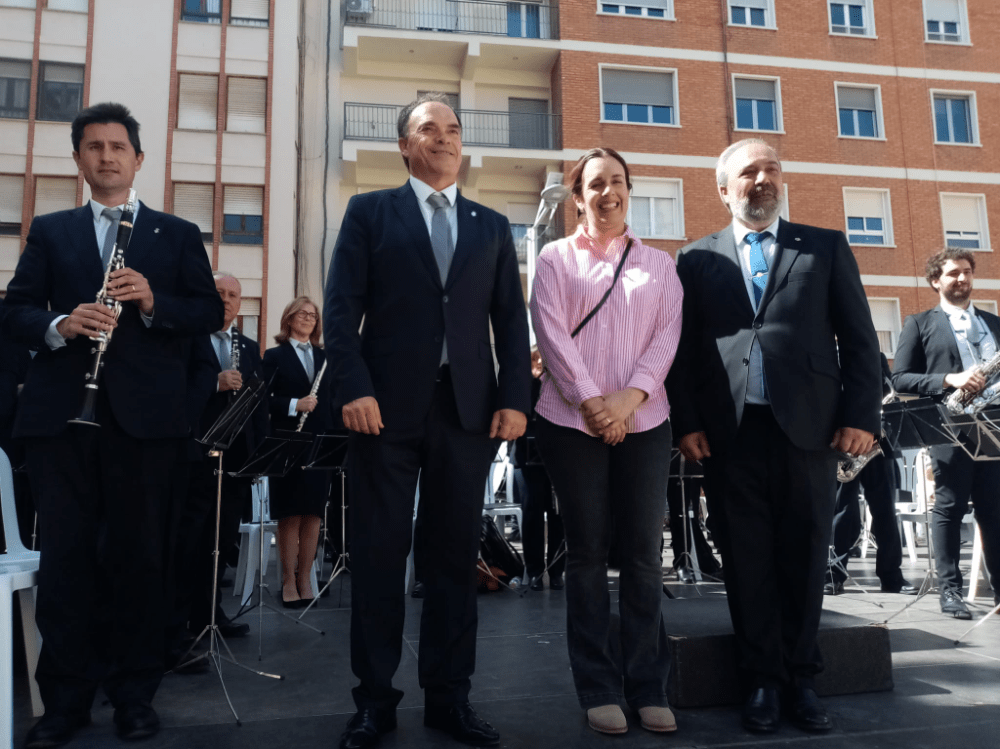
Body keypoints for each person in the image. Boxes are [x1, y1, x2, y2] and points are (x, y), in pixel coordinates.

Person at [1, 102, 223, 747]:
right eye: (93, 147)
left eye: (117, 146)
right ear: (78, 160)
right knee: (67, 562)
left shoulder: (175, 235)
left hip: (145, 425)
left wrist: (153, 301)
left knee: (138, 561)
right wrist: (59, 325)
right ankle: (64, 700)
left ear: (138, 158)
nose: (106, 156)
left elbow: (207, 311)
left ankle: (134, 694)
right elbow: (13, 312)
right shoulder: (51, 229)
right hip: (62, 423)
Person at [324, 92, 531, 749]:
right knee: (381, 557)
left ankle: (450, 698)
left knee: (452, 560)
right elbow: (339, 309)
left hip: (466, 411)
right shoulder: (368, 212)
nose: (443, 138)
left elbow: (510, 321)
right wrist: (353, 386)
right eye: (428, 129)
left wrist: (515, 399)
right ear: (404, 147)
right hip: (381, 411)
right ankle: (374, 702)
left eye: (452, 129)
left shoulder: (492, 225)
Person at [667, 138, 881, 735]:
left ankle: (803, 679)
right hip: (729, 434)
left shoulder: (825, 246)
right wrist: (686, 423)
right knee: (745, 556)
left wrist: (862, 415)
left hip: (810, 430)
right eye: (749, 172)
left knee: (807, 552)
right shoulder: (695, 259)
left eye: (771, 169)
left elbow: (860, 339)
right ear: (723, 187)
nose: (762, 180)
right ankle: (761, 679)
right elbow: (682, 353)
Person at [531, 147, 683, 736]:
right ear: (578, 197)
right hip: (572, 423)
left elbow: (666, 336)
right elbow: (550, 331)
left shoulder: (660, 265)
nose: (607, 193)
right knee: (588, 556)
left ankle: (648, 685)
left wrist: (627, 402)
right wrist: (595, 404)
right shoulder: (554, 258)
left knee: (645, 557)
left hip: (645, 420)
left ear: (628, 190)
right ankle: (598, 685)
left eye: (617, 182)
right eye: (595, 184)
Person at [890, 248, 1000, 619]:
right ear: (936, 280)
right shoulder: (919, 323)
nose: (962, 279)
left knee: (995, 511)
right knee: (950, 508)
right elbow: (900, 378)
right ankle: (950, 591)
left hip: (994, 425)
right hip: (951, 426)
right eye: (953, 273)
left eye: (967, 272)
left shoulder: (994, 323)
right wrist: (949, 378)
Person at [170, 272, 267, 658]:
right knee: (191, 540)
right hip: (195, 455)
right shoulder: (187, 337)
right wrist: (215, 382)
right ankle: (181, 620)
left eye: (233, 295)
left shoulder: (248, 345)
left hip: (237, 456)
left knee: (222, 540)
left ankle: (211, 611)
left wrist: (258, 453)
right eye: (219, 293)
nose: (226, 299)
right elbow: (174, 389)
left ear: (240, 304)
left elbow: (259, 401)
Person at [262, 296, 335, 608]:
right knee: (290, 514)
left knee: (314, 514)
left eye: (313, 315)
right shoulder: (274, 355)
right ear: (289, 319)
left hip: (319, 444)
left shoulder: (326, 357)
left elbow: (332, 400)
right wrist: (295, 405)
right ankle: (288, 580)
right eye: (302, 314)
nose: (308, 318)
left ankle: (306, 577)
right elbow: (262, 399)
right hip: (288, 442)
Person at [826, 353, 916, 596]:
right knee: (842, 511)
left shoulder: (874, 356)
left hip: (877, 442)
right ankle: (833, 574)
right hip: (842, 446)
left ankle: (892, 577)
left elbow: (889, 390)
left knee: (885, 511)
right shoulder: (821, 352)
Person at [511, 348, 564, 591]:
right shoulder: (524, 382)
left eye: (543, 357)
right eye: (535, 357)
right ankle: (533, 571)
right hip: (527, 456)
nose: (540, 362)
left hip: (557, 455)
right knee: (531, 513)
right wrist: (533, 379)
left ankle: (556, 572)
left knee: (558, 515)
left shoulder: (559, 379)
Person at [666, 449, 722, 583]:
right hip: (685, 449)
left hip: (708, 452)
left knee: (718, 508)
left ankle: (706, 561)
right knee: (682, 512)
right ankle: (686, 563)